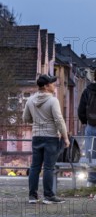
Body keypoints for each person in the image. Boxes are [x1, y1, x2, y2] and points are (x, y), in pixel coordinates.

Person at [22, 74, 69, 204]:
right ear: (46, 86)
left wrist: (37, 121)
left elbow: (26, 118)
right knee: (49, 167)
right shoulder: (53, 101)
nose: (54, 85)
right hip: (51, 137)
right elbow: (59, 120)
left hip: (36, 136)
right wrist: (65, 137)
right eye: (52, 84)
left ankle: (32, 196)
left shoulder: (30, 100)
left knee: (35, 167)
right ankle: (48, 196)